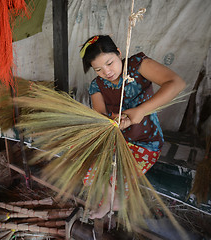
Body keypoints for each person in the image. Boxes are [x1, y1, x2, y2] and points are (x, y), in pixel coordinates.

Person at [80, 35, 186, 219]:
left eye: (110, 63)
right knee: (89, 170)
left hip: (146, 143)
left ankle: (113, 202)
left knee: (116, 179)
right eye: (98, 69)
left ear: (119, 53)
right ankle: (111, 200)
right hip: (117, 141)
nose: (107, 72)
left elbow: (177, 83)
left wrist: (140, 111)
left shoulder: (137, 65)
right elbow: (101, 119)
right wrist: (111, 121)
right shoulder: (96, 86)